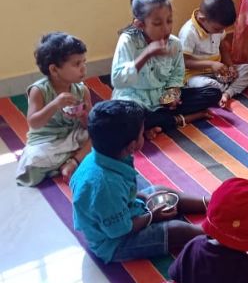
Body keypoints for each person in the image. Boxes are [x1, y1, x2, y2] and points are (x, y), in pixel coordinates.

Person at [71, 100, 207, 264]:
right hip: (115, 242)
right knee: (175, 230)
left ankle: (208, 203)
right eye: (142, 134)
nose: (144, 136)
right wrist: (151, 217)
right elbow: (121, 230)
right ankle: (209, 231)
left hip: (123, 209)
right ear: (131, 146)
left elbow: (125, 194)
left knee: (159, 190)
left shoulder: (105, 156)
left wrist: (142, 198)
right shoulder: (104, 186)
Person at [111, 0, 220, 139]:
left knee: (213, 93)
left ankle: (151, 125)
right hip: (134, 100)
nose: (166, 28)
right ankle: (180, 119)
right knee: (123, 118)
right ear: (140, 25)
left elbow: (177, 75)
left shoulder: (174, 43)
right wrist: (146, 54)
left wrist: (171, 95)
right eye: (157, 23)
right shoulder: (128, 41)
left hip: (161, 100)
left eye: (169, 21)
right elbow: (117, 80)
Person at [16, 32, 92, 186]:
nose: (83, 68)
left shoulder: (82, 90)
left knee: (101, 134)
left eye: (84, 62)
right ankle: (75, 159)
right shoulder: (39, 90)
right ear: (54, 70)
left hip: (74, 134)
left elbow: (90, 124)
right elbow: (34, 123)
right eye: (77, 64)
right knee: (33, 162)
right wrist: (55, 104)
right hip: (47, 140)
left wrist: (83, 116)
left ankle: (73, 162)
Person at [178, 0, 248, 108]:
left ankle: (227, 93)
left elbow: (223, 46)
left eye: (223, 29)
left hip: (218, 71)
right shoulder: (188, 32)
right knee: (211, 85)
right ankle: (228, 89)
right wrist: (211, 64)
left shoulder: (216, 27)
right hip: (195, 75)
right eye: (217, 29)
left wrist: (230, 65)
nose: (220, 32)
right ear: (202, 19)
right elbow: (184, 62)